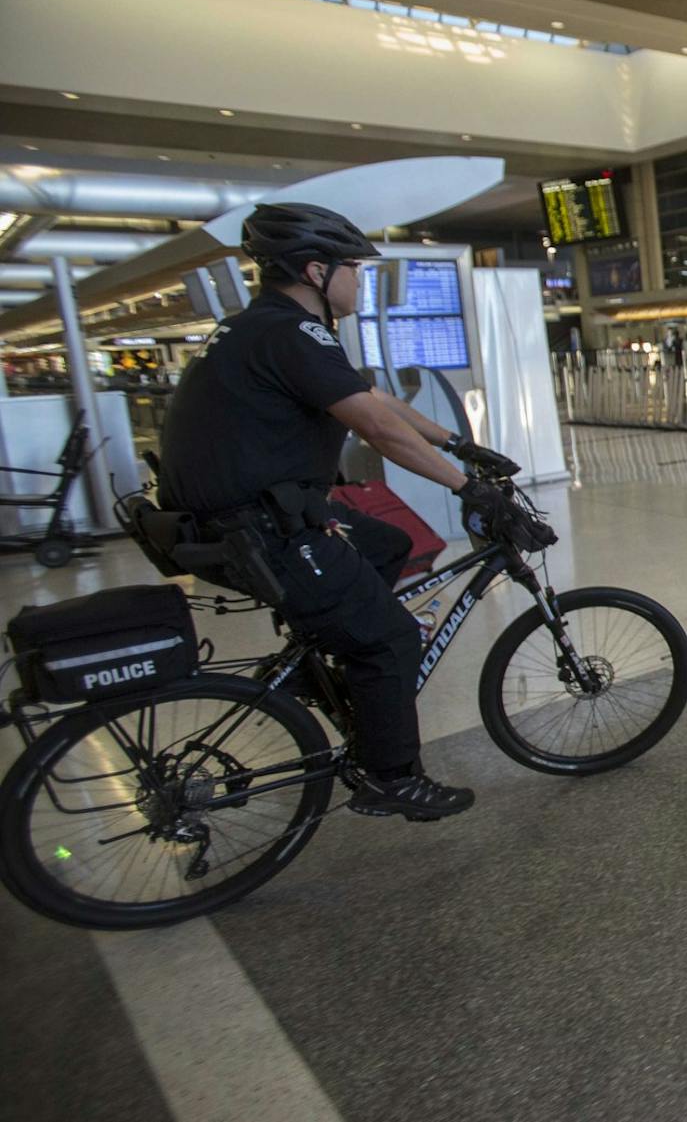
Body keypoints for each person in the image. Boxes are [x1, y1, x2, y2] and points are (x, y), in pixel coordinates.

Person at [157, 203, 549, 821]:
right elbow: (377, 430)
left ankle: (329, 655)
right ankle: (391, 777)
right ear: (317, 271)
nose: (358, 282)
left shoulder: (273, 326)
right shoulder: (291, 333)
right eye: (354, 271)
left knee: (387, 544)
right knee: (391, 638)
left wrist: (457, 444)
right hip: (256, 532)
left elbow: (371, 397)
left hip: (244, 520)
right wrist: (467, 488)